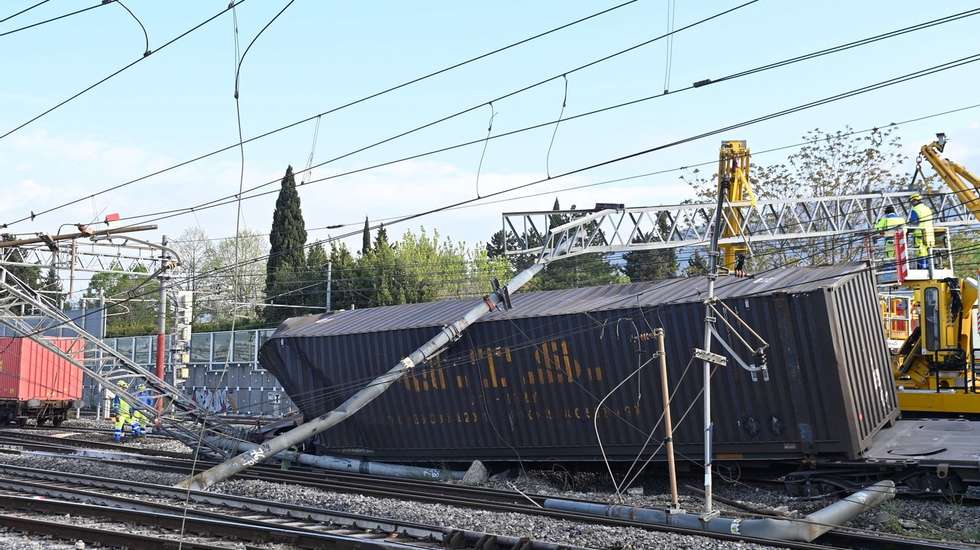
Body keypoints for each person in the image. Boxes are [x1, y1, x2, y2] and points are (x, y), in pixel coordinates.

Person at [907, 193, 934, 269]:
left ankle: (922, 268)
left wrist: (908, 230)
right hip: (930, 234)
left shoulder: (915, 210)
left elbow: (913, 223)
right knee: (929, 251)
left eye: (912, 202)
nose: (912, 204)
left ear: (915, 201)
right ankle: (930, 267)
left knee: (920, 252)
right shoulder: (927, 209)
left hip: (919, 234)